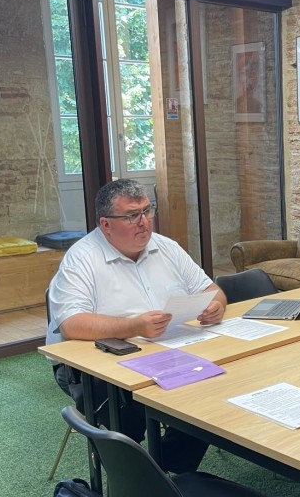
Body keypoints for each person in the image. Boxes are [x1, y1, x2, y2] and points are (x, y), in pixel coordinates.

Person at [47, 179, 227, 473]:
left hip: (168, 348)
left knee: (218, 381)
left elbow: (212, 290)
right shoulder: (81, 259)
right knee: (125, 407)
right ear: (106, 224)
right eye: (132, 216)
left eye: (147, 210)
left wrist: (217, 306)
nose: (144, 222)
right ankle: (138, 476)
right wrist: (134, 326)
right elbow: (71, 324)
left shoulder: (166, 247)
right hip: (97, 364)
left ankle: (168, 468)